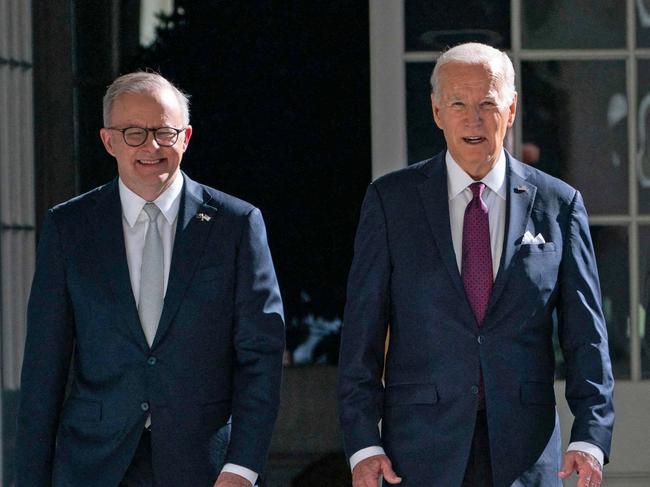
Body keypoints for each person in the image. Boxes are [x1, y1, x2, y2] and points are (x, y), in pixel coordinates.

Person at [337, 43, 614, 487]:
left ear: (511, 108)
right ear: (436, 112)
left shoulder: (559, 205)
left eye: (487, 103)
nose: (473, 119)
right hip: (418, 454)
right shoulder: (392, 202)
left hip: (525, 452)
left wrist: (590, 436)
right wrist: (363, 443)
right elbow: (361, 334)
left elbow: (587, 336)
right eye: (458, 104)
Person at [15, 72, 285, 487]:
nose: (151, 146)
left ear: (186, 137)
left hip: (207, 468)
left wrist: (242, 467)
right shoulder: (69, 227)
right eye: (134, 133)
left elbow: (260, 357)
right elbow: (43, 366)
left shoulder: (236, 224)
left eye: (164, 132)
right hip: (93, 464)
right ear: (109, 141)